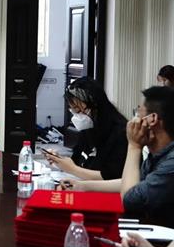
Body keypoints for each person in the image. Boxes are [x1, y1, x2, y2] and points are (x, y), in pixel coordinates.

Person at [59, 86, 174, 227]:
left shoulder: (170, 162)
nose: (134, 120)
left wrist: (134, 146)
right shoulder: (156, 155)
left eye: (138, 113)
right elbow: (136, 182)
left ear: (152, 119)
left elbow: (130, 200)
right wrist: (82, 186)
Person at [44, 77, 128, 180]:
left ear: (95, 105)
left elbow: (112, 177)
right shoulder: (88, 128)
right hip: (84, 185)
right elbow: (77, 161)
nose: (77, 116)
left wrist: (72, 169)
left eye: (79, 110)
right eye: (73, 111)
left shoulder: (120, 133)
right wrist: (60, 161)